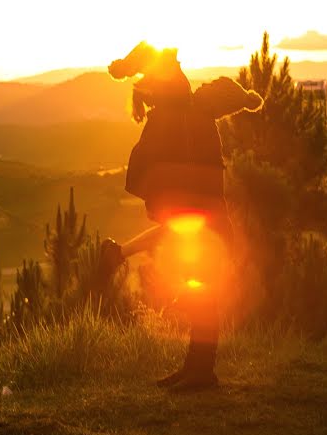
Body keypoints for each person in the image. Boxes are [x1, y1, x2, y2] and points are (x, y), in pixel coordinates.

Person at [100, 41, 263, 390]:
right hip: (204, 220)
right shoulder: (190, 111)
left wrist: (126, 66)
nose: (150, 103)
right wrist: (123, 252)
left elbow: (165, 68)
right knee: (199, 296)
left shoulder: (183, 111)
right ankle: (196, 369)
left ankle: (201, 374)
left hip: (210, 225)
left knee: (202, 295)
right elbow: (222, 92)